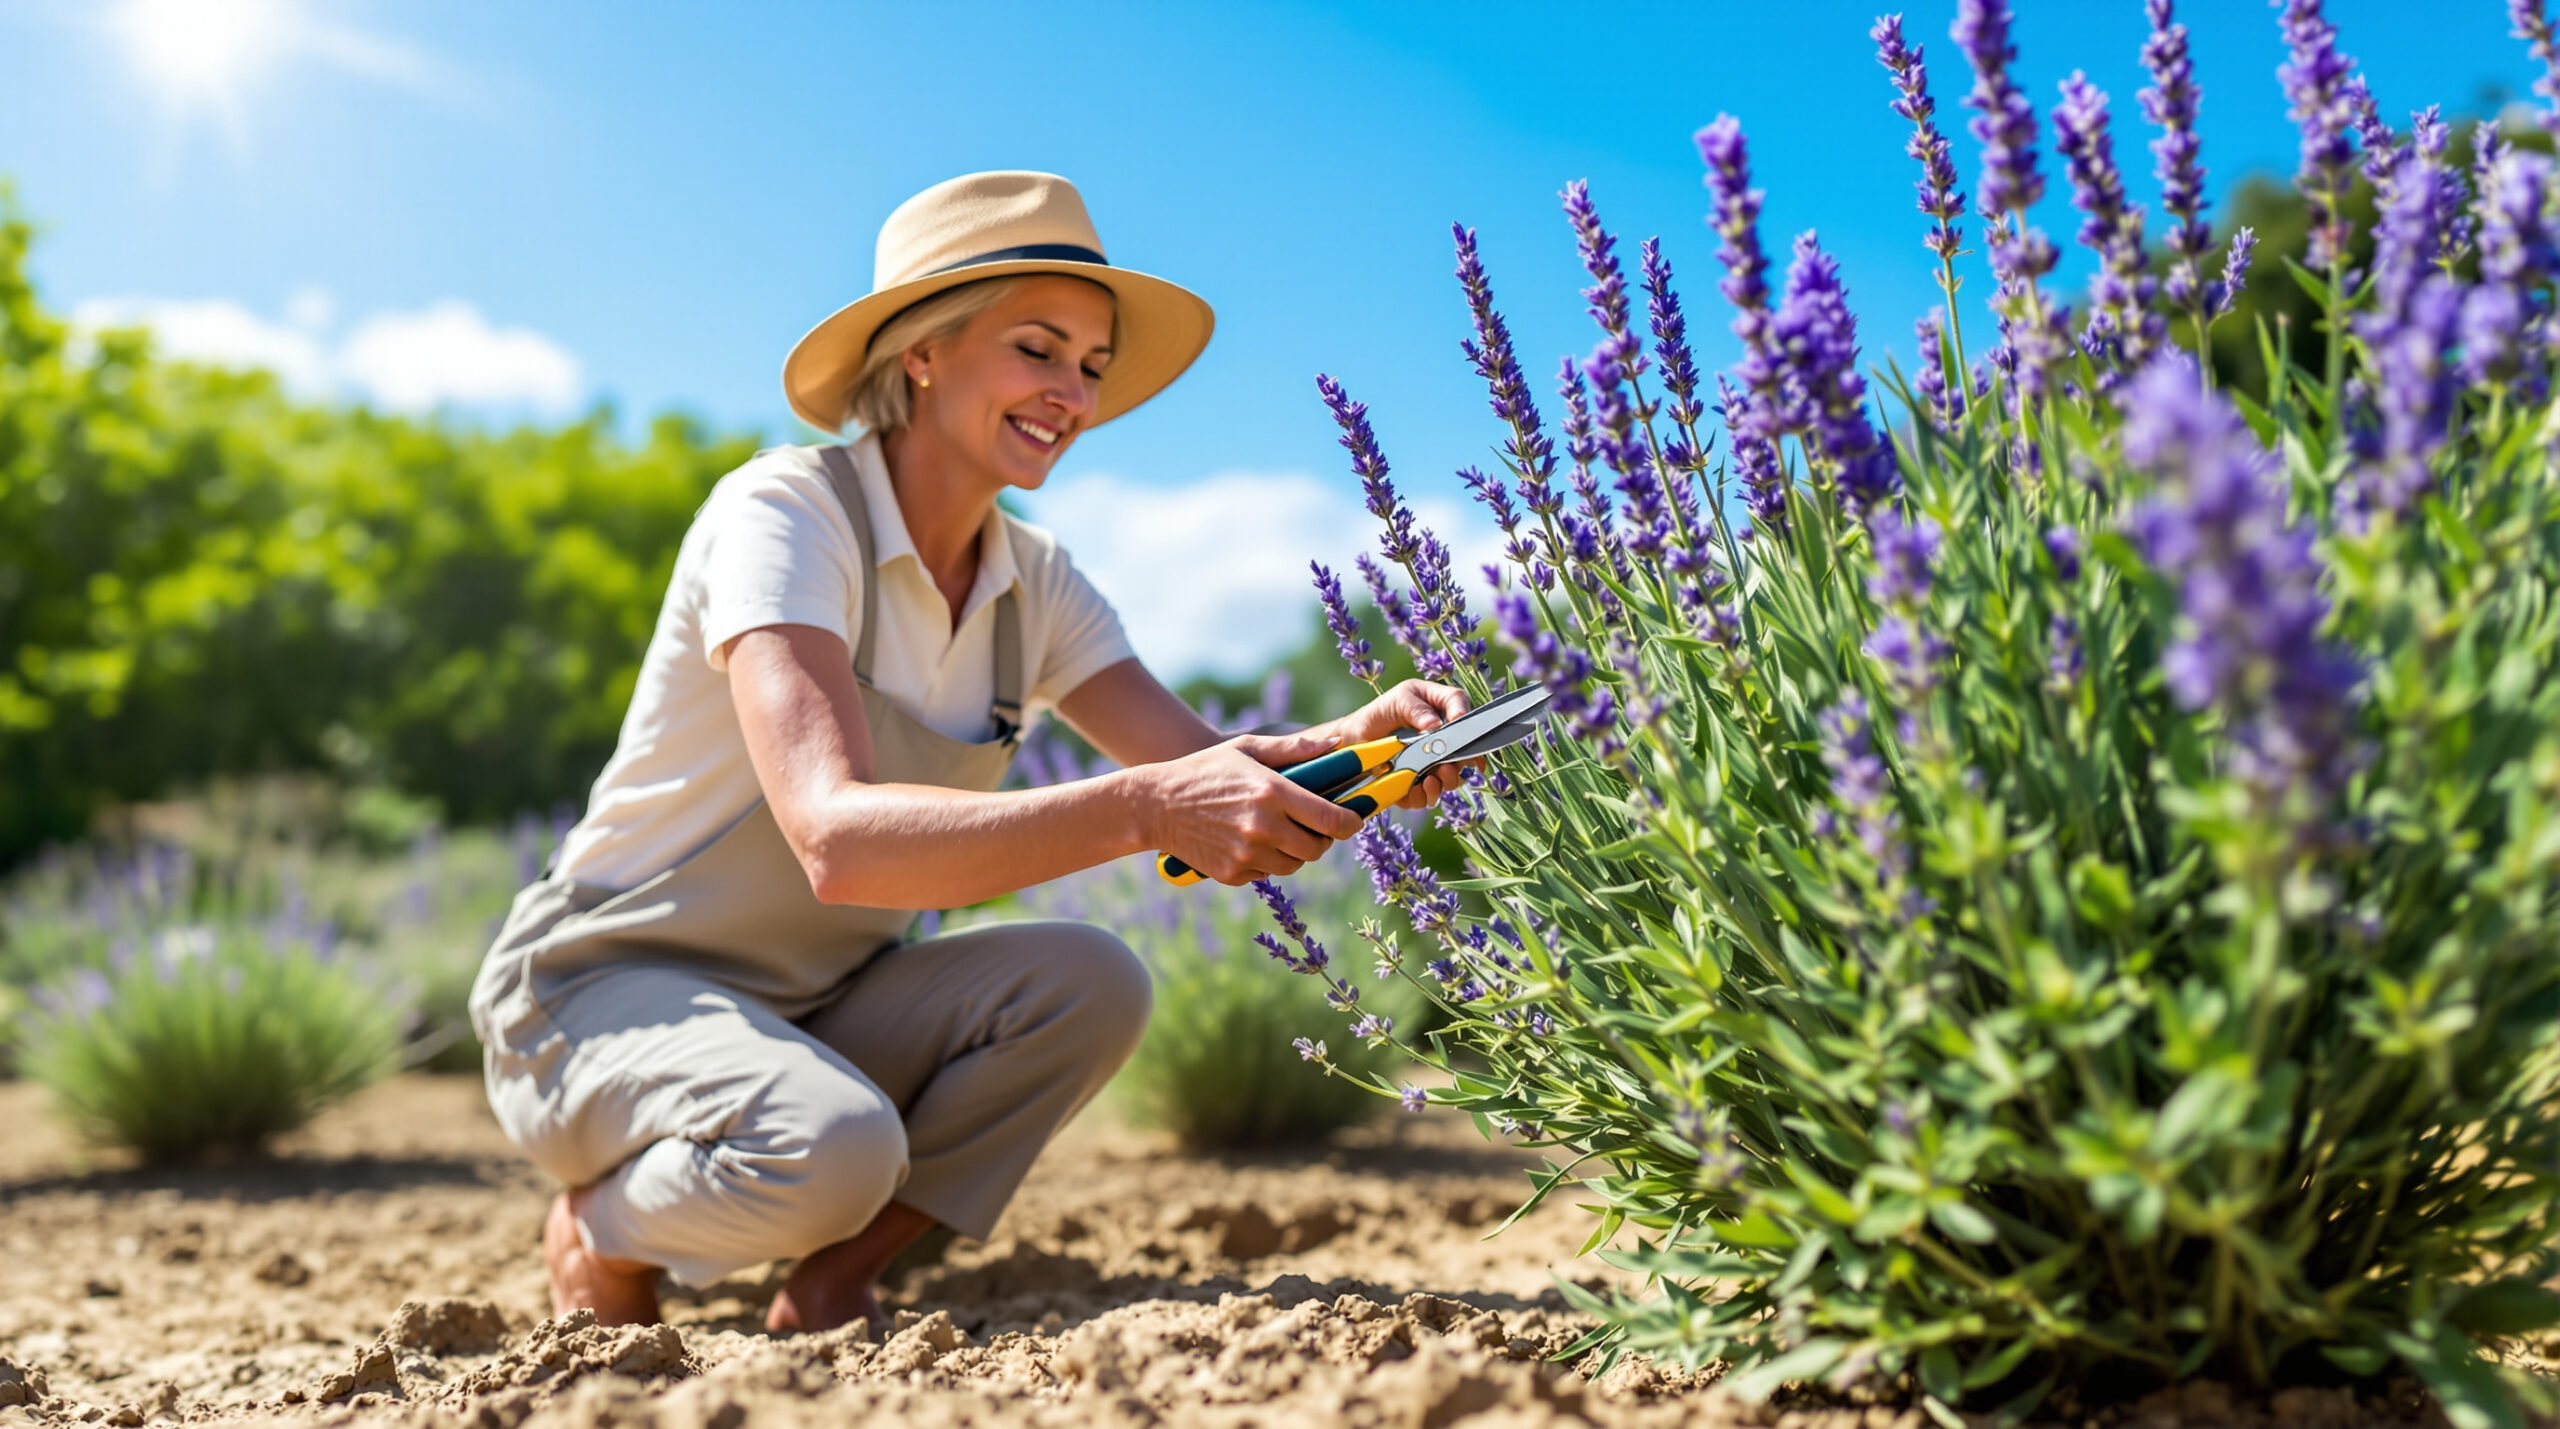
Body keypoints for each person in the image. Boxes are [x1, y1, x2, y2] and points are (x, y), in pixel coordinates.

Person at [466, 171, 1479, 1334]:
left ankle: (838, 1276)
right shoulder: (786, 516)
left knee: (1091, 983)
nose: (1071, 393)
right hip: (599, 999)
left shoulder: (1033, 584)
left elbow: (1201, 768)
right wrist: (1149, 809)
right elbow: (834, 840)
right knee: (828, 1145)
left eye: (1091, 367)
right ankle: (600, 1228)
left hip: (818, 1004)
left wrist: (1354, 752)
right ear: (922, 355)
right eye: (1037, 349)